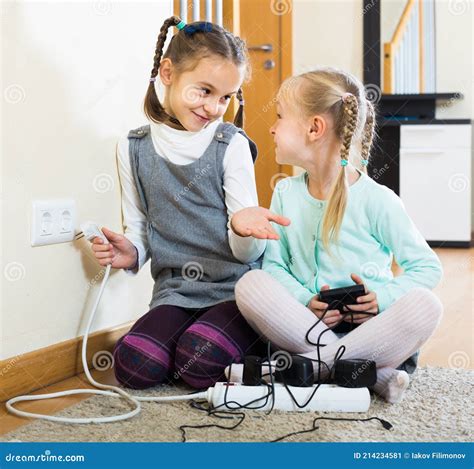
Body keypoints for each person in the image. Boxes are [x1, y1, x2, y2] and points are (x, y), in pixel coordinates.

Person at [91, 16, 288, 389]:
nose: (215, 107)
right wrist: (130, 253)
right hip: (176, 291)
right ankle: (193, 340)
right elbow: (140, 228)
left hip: (234, 291)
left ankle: (248, 341)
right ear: (167, 72)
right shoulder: (132, 147)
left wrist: (241, 228)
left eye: (226, 97)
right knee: (133, 366)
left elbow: (248, 254)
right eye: (204, 91)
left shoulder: (231, 144)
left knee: (199, 363)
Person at [233, 67, 443, 403]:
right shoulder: (285, 192)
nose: (271, 127)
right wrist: (305, 300)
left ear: (315, 128)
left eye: (280, 117)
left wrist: (381, 299)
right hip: (306, 326)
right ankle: (370, 374)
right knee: (249, 285)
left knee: (427, 305)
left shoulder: (377, 199)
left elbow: (427, 268)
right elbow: (273, 268)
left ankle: (309, 368)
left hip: (370, 332)